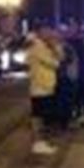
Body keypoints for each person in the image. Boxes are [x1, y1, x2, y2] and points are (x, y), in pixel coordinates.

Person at [26, 25, 64, 156]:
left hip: (45, 86)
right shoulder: (38, 47)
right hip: (40, 86)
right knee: (38, 116)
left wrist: (54, 48)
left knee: (41, 115)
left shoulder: (43, 46)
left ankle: (40, 142)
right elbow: (55, 63)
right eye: (47, 32)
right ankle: (38, 143)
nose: (50, 35)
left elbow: (60, 58)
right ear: (41, 33)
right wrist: (55, 47)